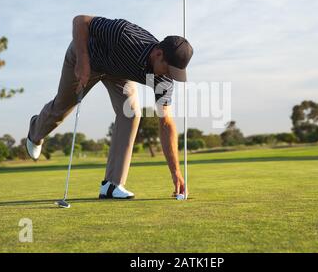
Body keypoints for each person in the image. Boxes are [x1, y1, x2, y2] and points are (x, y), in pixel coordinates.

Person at [26, 15, 193, 199]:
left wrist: (175, 172)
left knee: (131, 114)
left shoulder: (165, 79)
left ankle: (112, 185)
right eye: (168, 69)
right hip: (86, 55)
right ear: (158, 54)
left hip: (119, 73)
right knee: (62, 107)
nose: (169, 75)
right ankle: (35, 131)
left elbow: (166, 122)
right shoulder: (124, 34)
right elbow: (80, 21)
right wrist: (82, 60)